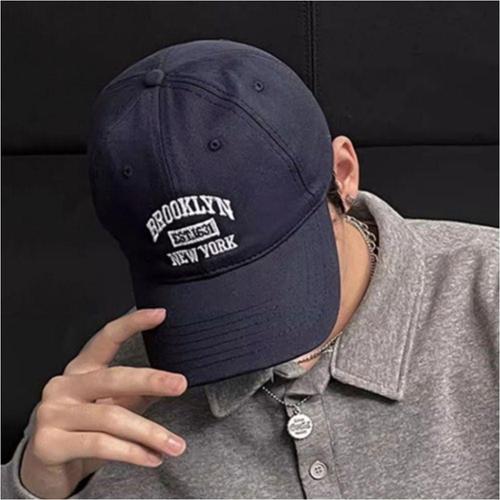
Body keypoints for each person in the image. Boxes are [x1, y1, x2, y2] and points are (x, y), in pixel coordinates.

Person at [2, 39, 498, 499]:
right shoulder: (119, 398)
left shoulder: (487, 294)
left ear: (342, 174)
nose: (245, 323)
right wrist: (37, 488)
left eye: (272, 268)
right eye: (203, 289)